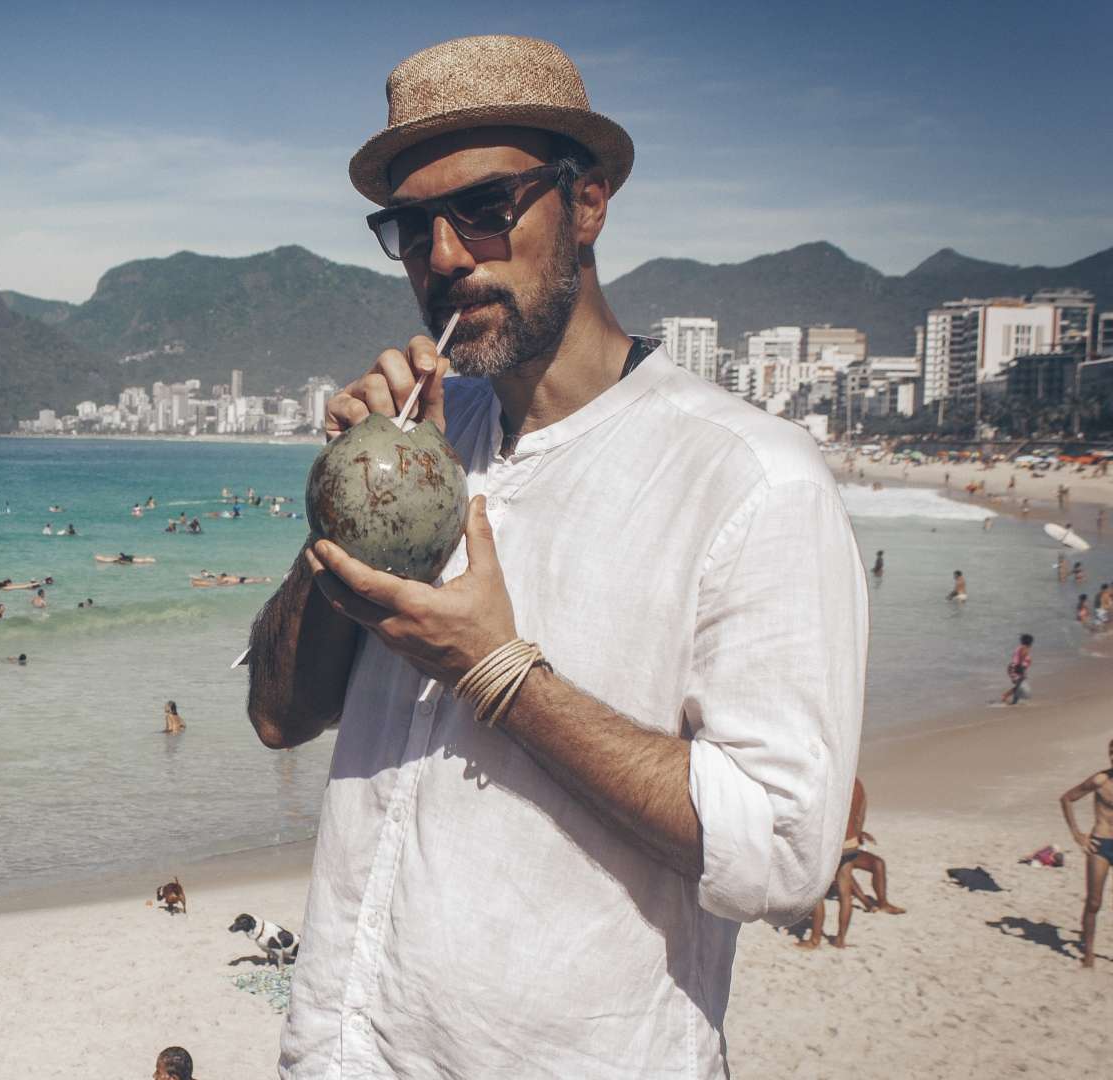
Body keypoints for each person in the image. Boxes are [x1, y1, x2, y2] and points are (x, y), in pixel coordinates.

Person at [244, 37, 864, 1078]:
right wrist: (346, 505)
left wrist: (498, 672)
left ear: (587, 203)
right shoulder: (426, 445)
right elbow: (278, 716)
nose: (446, 255)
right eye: (412, 227)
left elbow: (783, 853)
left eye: (487, 206)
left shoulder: (750, 480)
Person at [797, 778, 903, 950]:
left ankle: (815, 940)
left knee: (817, 893)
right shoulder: (857, 784)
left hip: (830, 844)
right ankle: (840, 939)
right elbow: (860, 816)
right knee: (845, 894)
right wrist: (857, 833)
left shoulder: (829, 783)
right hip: (850, 843)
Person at [1059, 737, 1113, 968]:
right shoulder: (1100, 780)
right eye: (1112, 753)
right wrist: (1077, 834)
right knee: (1093, 902)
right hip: (1100, 844)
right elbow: (1067, 798)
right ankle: (1089, 954)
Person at [1003, 633, 1033, 704]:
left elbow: (1018, 658)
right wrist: (1021, 670)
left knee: (1019, 686)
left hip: (1015, 667)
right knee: (1019, 686)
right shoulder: (1025, 648)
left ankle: (1013, 701)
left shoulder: (1021, 648)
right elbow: (1021, 658)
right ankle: (1006, 696)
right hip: (1017, 668)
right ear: (1030, 642)